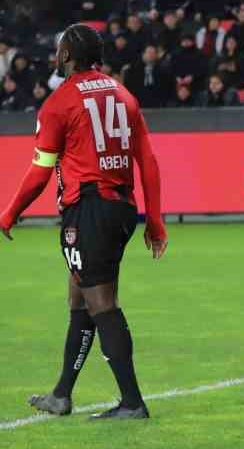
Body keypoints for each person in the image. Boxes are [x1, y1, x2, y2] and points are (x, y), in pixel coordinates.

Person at [0, 24, 167, 420]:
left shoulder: (60, 103)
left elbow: (41, 170)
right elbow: (149, 162)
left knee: (101, 303)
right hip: (121, 207)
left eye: (60, 50)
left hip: (89, 209)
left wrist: (9, 212)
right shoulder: (124, 96)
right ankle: (62, 394)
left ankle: (132, 402)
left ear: (66, 56)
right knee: (80, 296)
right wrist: (155, 219)